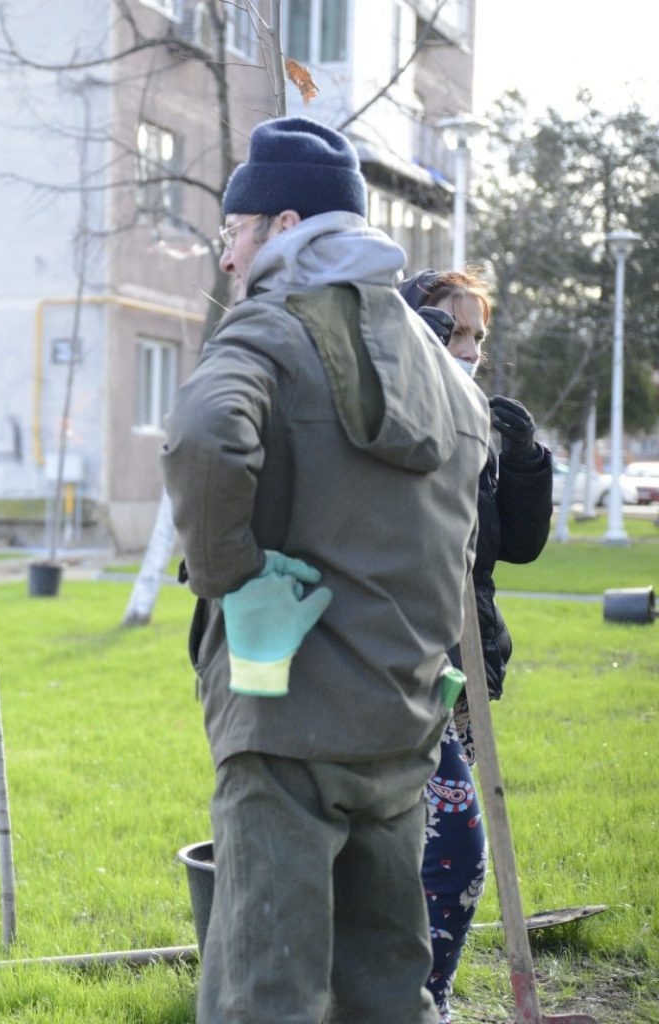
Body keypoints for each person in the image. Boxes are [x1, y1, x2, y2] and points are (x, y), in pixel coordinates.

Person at [161, 116, 490, 1023]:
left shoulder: (270, 331)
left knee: (265, 991)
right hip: (403, 720)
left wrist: (234, 577)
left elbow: (201, 436)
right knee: (385, 989)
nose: (228, 256)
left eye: (233, 231)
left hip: (288, 721)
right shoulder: (445, 370)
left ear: (284, 224)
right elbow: (463, 524)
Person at [401, 268, 553, 1022]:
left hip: (463, 668)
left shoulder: (477, 433)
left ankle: (422, 995)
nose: (467, 350)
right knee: (437, 844)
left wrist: (522, 459)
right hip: (400, 671)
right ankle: (406, 995)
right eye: (451, 331)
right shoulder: (395, 414)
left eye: (477, 337)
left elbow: (516, 545)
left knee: (437, 841)